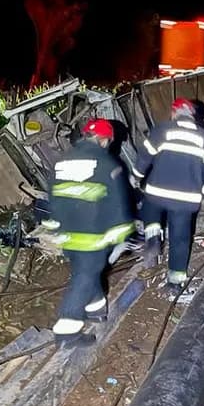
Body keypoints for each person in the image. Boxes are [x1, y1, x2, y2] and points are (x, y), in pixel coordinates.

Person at [46, 118, 136, 343]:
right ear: (104, 140)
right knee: (85, 277)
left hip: (68, 232)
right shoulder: (108, 164)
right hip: (94, 233)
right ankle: (67, 329)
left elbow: (53, 197)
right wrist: (123, 232)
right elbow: (117, 202)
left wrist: (58, 226)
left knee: (86, 271)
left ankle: (96, 308)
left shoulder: (61, 162)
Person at [132, 97, 204, 292]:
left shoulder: (162, 130)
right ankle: (175, 281)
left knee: (149, 207)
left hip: (157, 193)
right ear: (192, 116)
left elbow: (145, 157)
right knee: (180, 238)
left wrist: (136, 176)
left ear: (174, 113)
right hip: (186, 199)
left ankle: (153, 235)